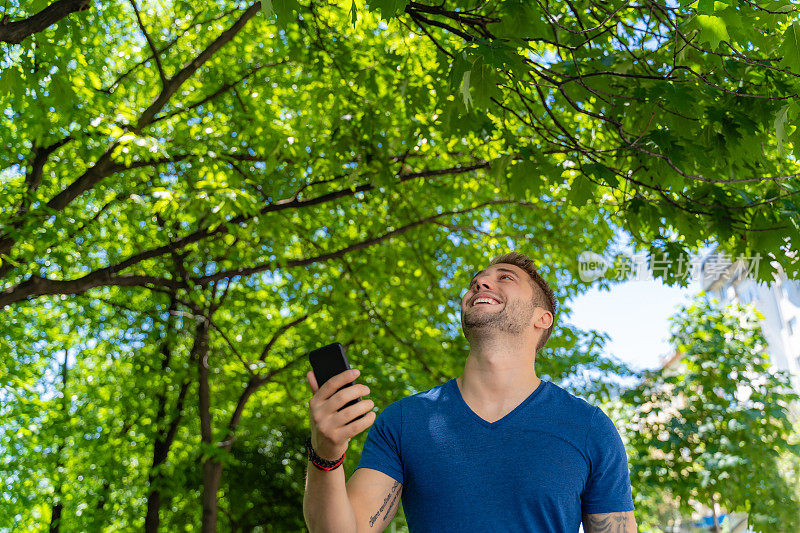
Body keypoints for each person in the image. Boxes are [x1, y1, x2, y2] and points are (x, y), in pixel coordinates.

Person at [303, 252, 637, 532]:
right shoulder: (404, 421)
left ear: (542, 318)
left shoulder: (589, 428)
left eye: (505, 277)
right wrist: (326, 454)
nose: (480, 283)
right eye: (476, 280)